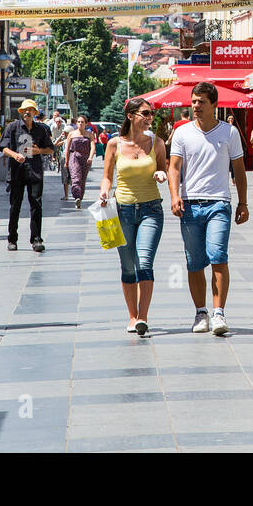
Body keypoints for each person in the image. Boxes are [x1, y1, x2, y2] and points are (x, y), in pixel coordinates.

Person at [167, 83, 249, 335]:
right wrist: (174, 195)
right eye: (193, 101)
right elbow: (174, 168)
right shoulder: (182, 133)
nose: (195, 106)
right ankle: (200, 312)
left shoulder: (229, 132)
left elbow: (239, 170)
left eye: (201, 101)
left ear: (214, 104)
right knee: (194, 262)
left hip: (219, 204)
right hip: (190, 204)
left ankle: (218, 313)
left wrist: (243, 202)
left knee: (217, 256)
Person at [100, 97, 168, 336]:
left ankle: (143, 317)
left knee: (145, 262)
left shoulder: (157, 143)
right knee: (128, 266)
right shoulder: (114, 144)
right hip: (123, 210)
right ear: (130, 116)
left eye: (151, 114)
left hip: (152, 209)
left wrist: (161, 174)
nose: (150, 118)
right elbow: (107, 176)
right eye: (145, 114)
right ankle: (131, 316)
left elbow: (163, 167)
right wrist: (104, 191)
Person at [0, 100, 54, 251]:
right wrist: (15, 155)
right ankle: (12, 239)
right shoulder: (13, 127)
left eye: (30, 110)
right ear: (21, 112)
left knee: (36, 205)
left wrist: (39, 151)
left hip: (34, 171)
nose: (27, 112)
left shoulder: (41, 129)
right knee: (15, 206)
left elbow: (50, 149)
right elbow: (3, 148)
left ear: (35, 113)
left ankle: (36, 239)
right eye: (25, 110)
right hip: (17, 171)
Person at [66, 114, 97, 208]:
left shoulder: (89, 134)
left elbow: (92, 147)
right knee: (76, 178)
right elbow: (67, 148)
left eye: (82, 122)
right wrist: (66, 161)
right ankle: (76, 196)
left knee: (82, 179)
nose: (80, 124)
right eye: (78, 122)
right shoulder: (72, 134)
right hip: (74, 157)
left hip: (85, 157)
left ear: (86, 124)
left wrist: (91, 157)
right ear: (76, 123)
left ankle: (80, 198)